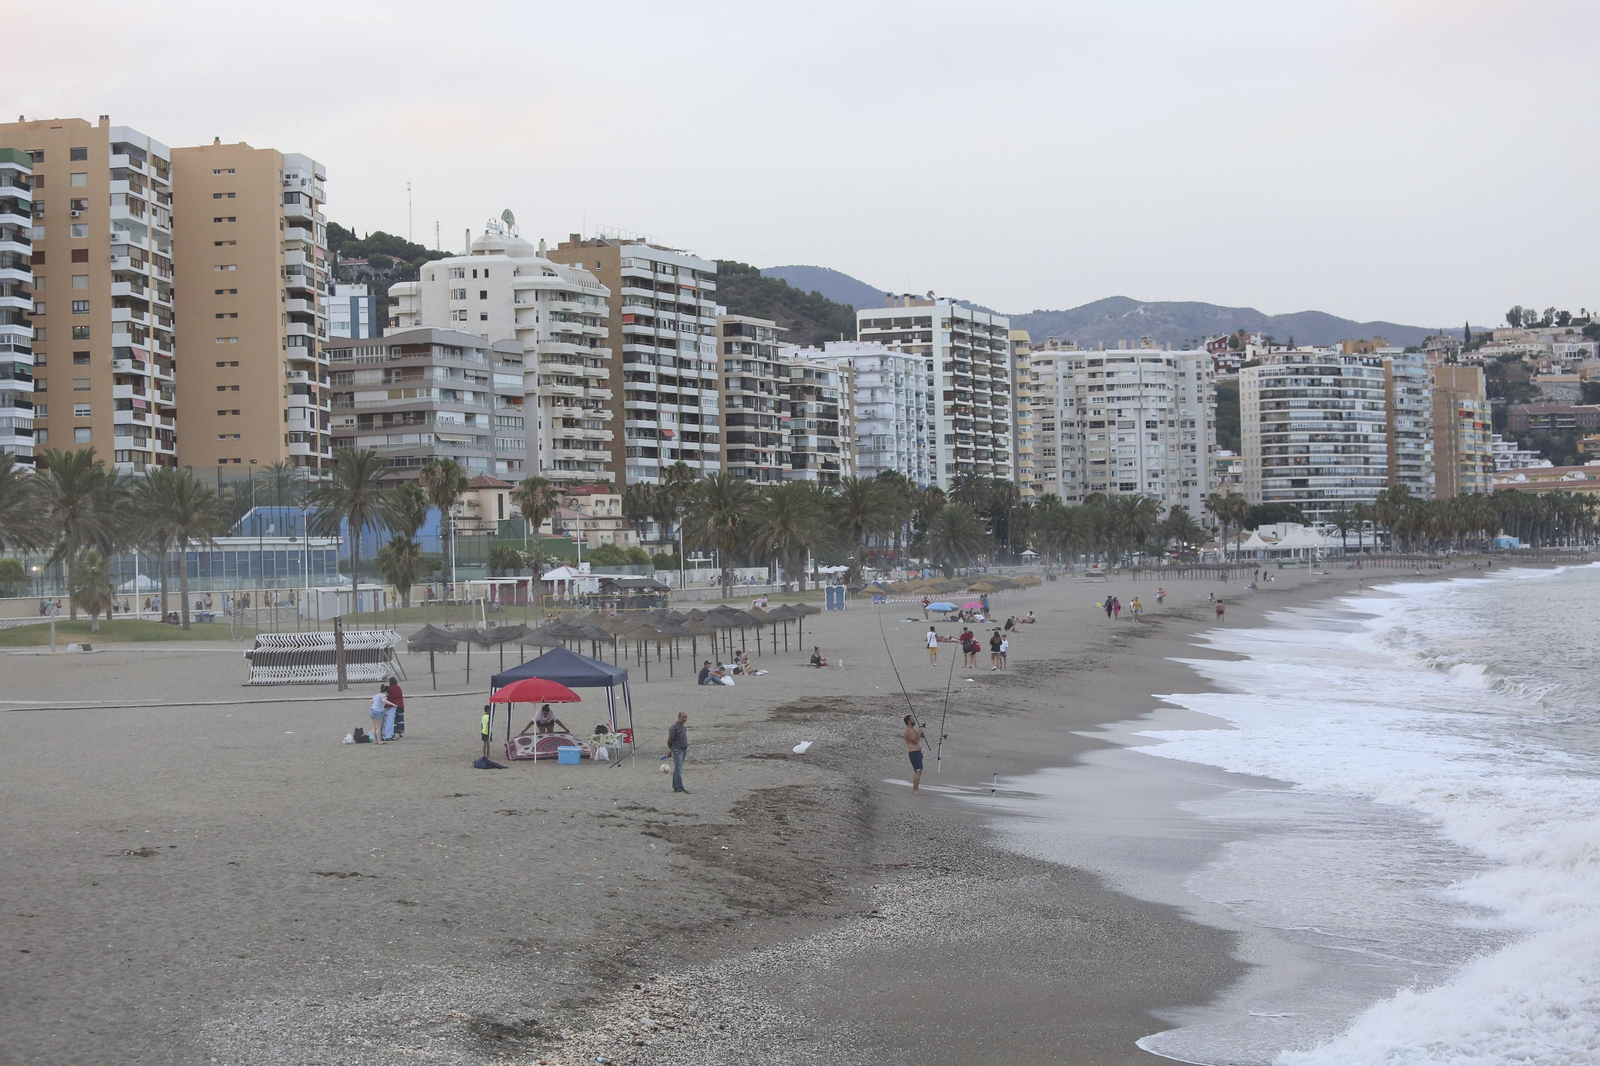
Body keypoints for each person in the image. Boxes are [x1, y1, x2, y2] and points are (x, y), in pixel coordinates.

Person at [903, 714, 928, 792]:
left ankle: (916, 789)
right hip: (914, 753)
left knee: (919, 771)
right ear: (908, 721)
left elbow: (922, 736)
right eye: (912, 719)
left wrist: (921, 730)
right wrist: (919, 732)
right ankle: (915, 790)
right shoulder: (907, 732)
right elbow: (915, 741)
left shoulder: (914, 730)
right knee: (918, 770)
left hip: (918, 752)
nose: (914, 720)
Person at [667, 711, 690, 793]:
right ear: (679, 717)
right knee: (678, 769)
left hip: (683, 750)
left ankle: (676, 787)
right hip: (677, 750)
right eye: (683, 717)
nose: (685, 719)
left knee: (678, 769)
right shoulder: (674, 727)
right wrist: (672, 750)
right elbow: (669, 740)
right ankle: (680, 788)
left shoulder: (683, 727)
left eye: (686, 717)